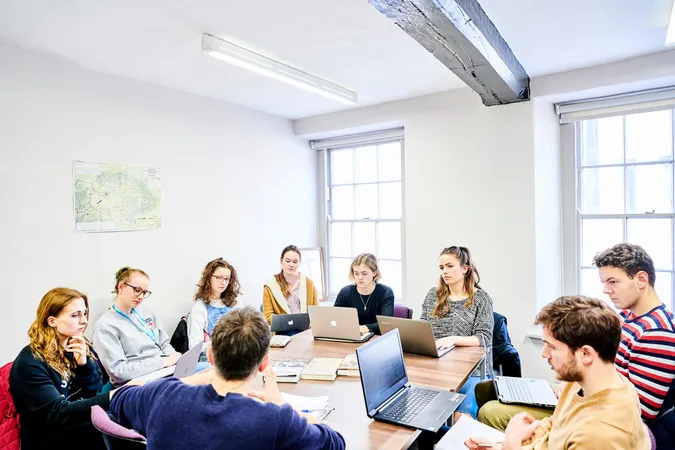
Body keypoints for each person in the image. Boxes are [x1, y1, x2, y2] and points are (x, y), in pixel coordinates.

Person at [476, 243, 675, 448]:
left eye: (613, 282)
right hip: (588, 387)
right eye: (604, 282)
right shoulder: (626, 314)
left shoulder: (657, 332)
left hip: (597, 399)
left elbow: (643, 409)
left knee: (491, 410)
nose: (606, 290)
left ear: (641, 279)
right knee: (487, 388)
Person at [109, 307, 346, 450]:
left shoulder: (161, 396)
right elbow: (334, 443)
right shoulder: (275, 419)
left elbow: (120, 397)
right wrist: (282, 404)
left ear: (210, 357)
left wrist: (187, 381)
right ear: (264, 364)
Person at [465, 295, 649, 450]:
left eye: (552, 347)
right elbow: (554, 426)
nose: (544, 354)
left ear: (586, 354)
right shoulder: (580, 382)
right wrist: (499, 446)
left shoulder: (600, 434)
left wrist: (513, 444)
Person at [10, 288, 110, 450]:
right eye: (75, 315)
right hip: (51, 441)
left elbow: (94, 392)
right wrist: (114, 397)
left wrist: (84, 366)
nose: (84, 320)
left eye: (84, 313)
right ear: (52, 321)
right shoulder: (30, 362)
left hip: (83, 431)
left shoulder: (79, 345)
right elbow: (58, 413)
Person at [420, 246, 493, 419]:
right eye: (441, 267)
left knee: (461, 418)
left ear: (465, 268)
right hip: (436, 366)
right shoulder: (433, 295)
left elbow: (483, 338)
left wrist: (452, 339)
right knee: (425, 413)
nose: (444, 271)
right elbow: (422, 328)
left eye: (450, 266)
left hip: (471, 370)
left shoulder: (481, 298)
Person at [93, 266, 180, 387]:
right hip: (137, 382)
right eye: (137, 290)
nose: (141, 296)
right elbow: (118, 372)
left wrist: (176, 359)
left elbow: (164, 343)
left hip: (164, 370)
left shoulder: (148, 313)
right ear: (121, 287)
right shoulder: (105, 326)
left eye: (144, 292)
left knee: (206, 370)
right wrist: (162, 363)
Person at [188, 258, 242, 351]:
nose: (223, 282)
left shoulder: (235, 301)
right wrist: (219, 343)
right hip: (213, 355)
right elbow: (194, 346)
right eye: (219, 278)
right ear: (209, 278)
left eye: (227, 279)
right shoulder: (200, 307)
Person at [334, 253, 395, 335]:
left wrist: (365, 328)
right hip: (350, 336)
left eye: (364, 274)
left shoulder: (385, 292)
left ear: (374, 273)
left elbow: (386, 324)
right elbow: (335, 318)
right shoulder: (345, 292)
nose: (360, 278)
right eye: (356, 273)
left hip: (376, 338)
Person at [262, 245, 319, 325]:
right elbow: (268, 316)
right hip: (282, 330)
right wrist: (288, 322)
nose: (291, 265)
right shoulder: (270, 286)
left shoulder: (309, 284)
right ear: (281, 261)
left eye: (295, 262)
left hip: (305, 329)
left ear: (299, 263)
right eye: (288, 261)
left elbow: (316, 312)